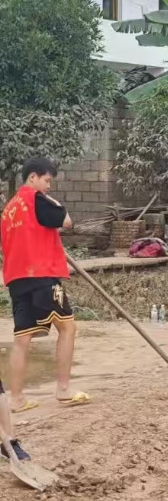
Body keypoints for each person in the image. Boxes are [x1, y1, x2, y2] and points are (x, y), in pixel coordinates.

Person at [1, 158, 90, 412]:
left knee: (22, 339)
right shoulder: (35, 198)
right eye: (47, 180)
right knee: (68, 328)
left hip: (16, 280)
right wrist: (55, 208)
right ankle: (63, 390)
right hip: (41, 276)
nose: (49, 186)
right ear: (33, 178)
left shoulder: (9, 209)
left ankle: (16, 399)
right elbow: (67, 221)